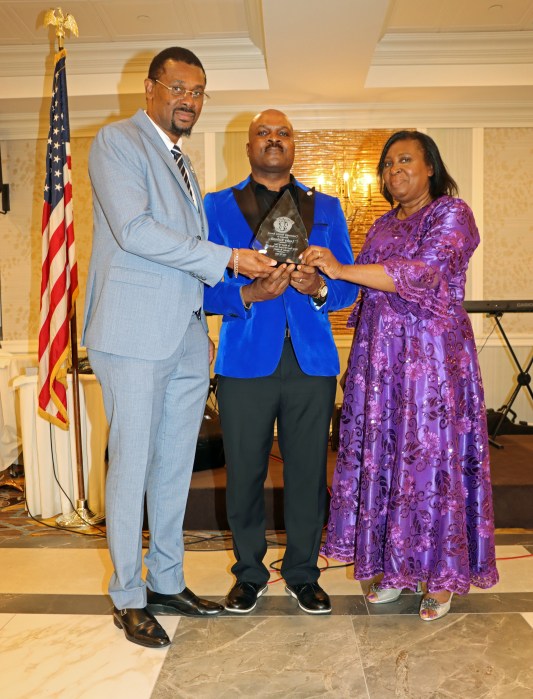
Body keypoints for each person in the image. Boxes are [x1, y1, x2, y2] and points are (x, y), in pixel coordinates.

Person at [82, 47, 275, 648]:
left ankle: (166, 580)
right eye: (178, 88)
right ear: (150, 88)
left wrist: (221, 302)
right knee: (133, 464)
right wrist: (230, 259)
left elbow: (181, 253)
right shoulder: (117, 143)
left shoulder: (184, 164)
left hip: (188, 337)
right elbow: (136, 231)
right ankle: (128, 595)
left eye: (198, 92)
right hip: (134, 335)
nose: (188, 100)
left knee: (173, 467)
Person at [301, 130, 499, 621]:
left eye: (405, 160)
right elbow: (363, 294)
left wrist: (341, 268)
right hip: (382, 366)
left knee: (433, 464)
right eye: (388, 164)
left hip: (433, 366)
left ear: (430, 165)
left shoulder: (452, 214)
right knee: (388, 463)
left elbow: (422, 274)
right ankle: (395, 571)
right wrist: (321, 283)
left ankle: (443, 577)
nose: (394, 171)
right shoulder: (383, 224)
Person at [203, 109, 358, 615]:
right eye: (263, 133)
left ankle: (302, 573)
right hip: (244, 361)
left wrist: (319, 289)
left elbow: (346, 289)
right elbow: (199, 285)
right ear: (247, 148)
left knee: (310, 473)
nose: (273, 139)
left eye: (283, 133)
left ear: (295, 146)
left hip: (311, 362)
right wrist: (247, 291)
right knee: (245, 470)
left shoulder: (328, 207)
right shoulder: (215, 207)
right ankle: (248, 574)